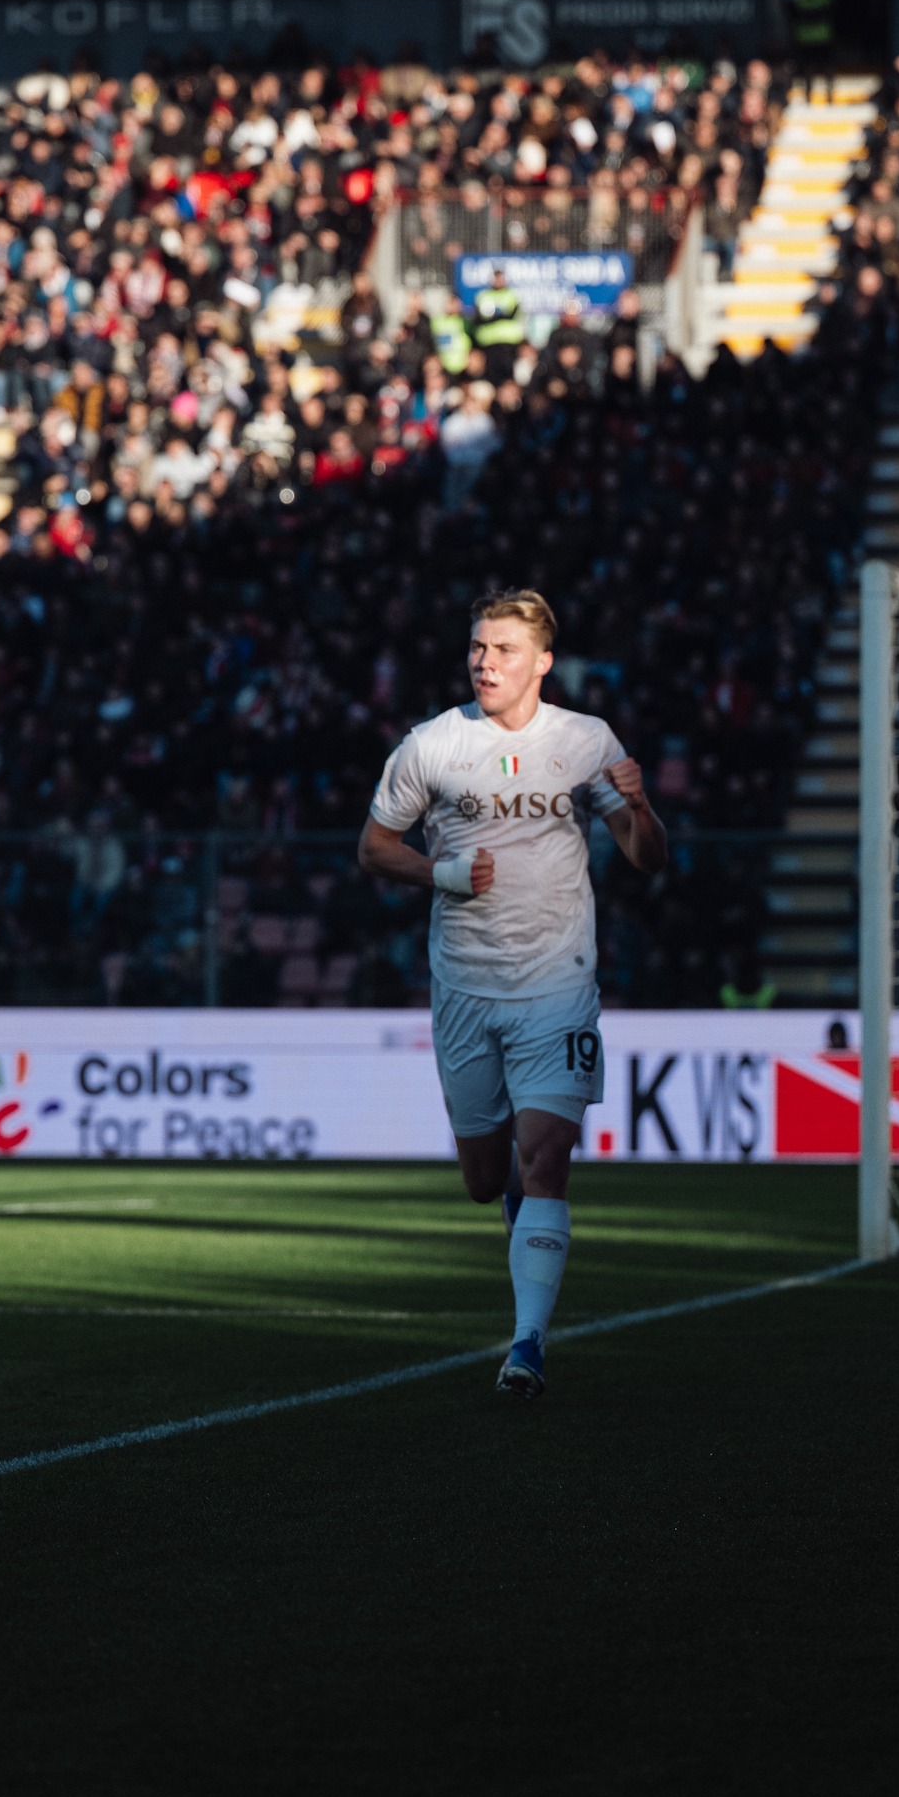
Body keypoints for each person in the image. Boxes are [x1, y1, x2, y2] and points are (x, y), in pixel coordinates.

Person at [357, 588, 667, 1397]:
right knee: (486, 1178)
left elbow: (647, 857)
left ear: (542, 663)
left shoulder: (585, 740)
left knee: (547, 1159)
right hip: (465, 989)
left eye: (502, 650)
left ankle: (527, 1345)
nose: (485, 662)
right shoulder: (432, 745)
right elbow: (375, 847)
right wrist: (442, 873)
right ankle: (518, 1223)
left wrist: (639, 805)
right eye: (478, 648)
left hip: (557, 983)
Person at [469, 266, 525, 383]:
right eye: (496, 278)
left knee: (508, 376)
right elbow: (481, 318)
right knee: (491, 376)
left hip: (509, 344)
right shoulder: (484, 296)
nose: (498, 281)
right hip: (489, 344)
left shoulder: (512, 295)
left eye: (500, 278)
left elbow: (513, 315)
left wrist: (494, 316)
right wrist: (502, 315)